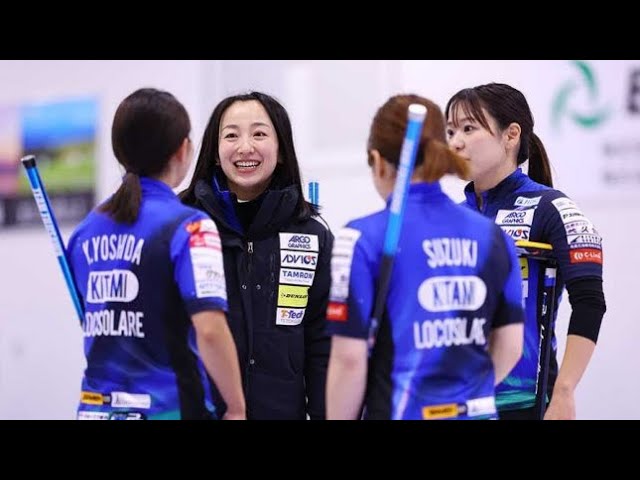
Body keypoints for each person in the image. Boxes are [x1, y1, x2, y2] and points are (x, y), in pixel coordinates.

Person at [325, 94, 525, 420]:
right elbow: (511, 346)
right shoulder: (495, 237)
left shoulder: (360, 239)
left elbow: (349, 359)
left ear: (377, 161)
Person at [67, 88, 245, 420]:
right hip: (168, 409)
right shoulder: (191, 227)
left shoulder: (83, 233)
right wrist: (236, 407)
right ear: (183, 149)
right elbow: (210, 329)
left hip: (94, 410)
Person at [445, 82, 607, 420]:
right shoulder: (449, 217)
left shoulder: (551, 207)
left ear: (511, 135)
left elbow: (590, 301)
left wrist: (564, 392)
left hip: (521, 405)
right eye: (450, 131)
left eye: (469, 128)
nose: (456, 141)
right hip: (454, 404)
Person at [180, 91, 333, 420]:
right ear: (215, 152)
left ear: (281, 150)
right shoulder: (183, 226)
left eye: (259, 134)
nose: (245, 147)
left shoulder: (312, 234)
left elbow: (322, 344)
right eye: (231, 135)